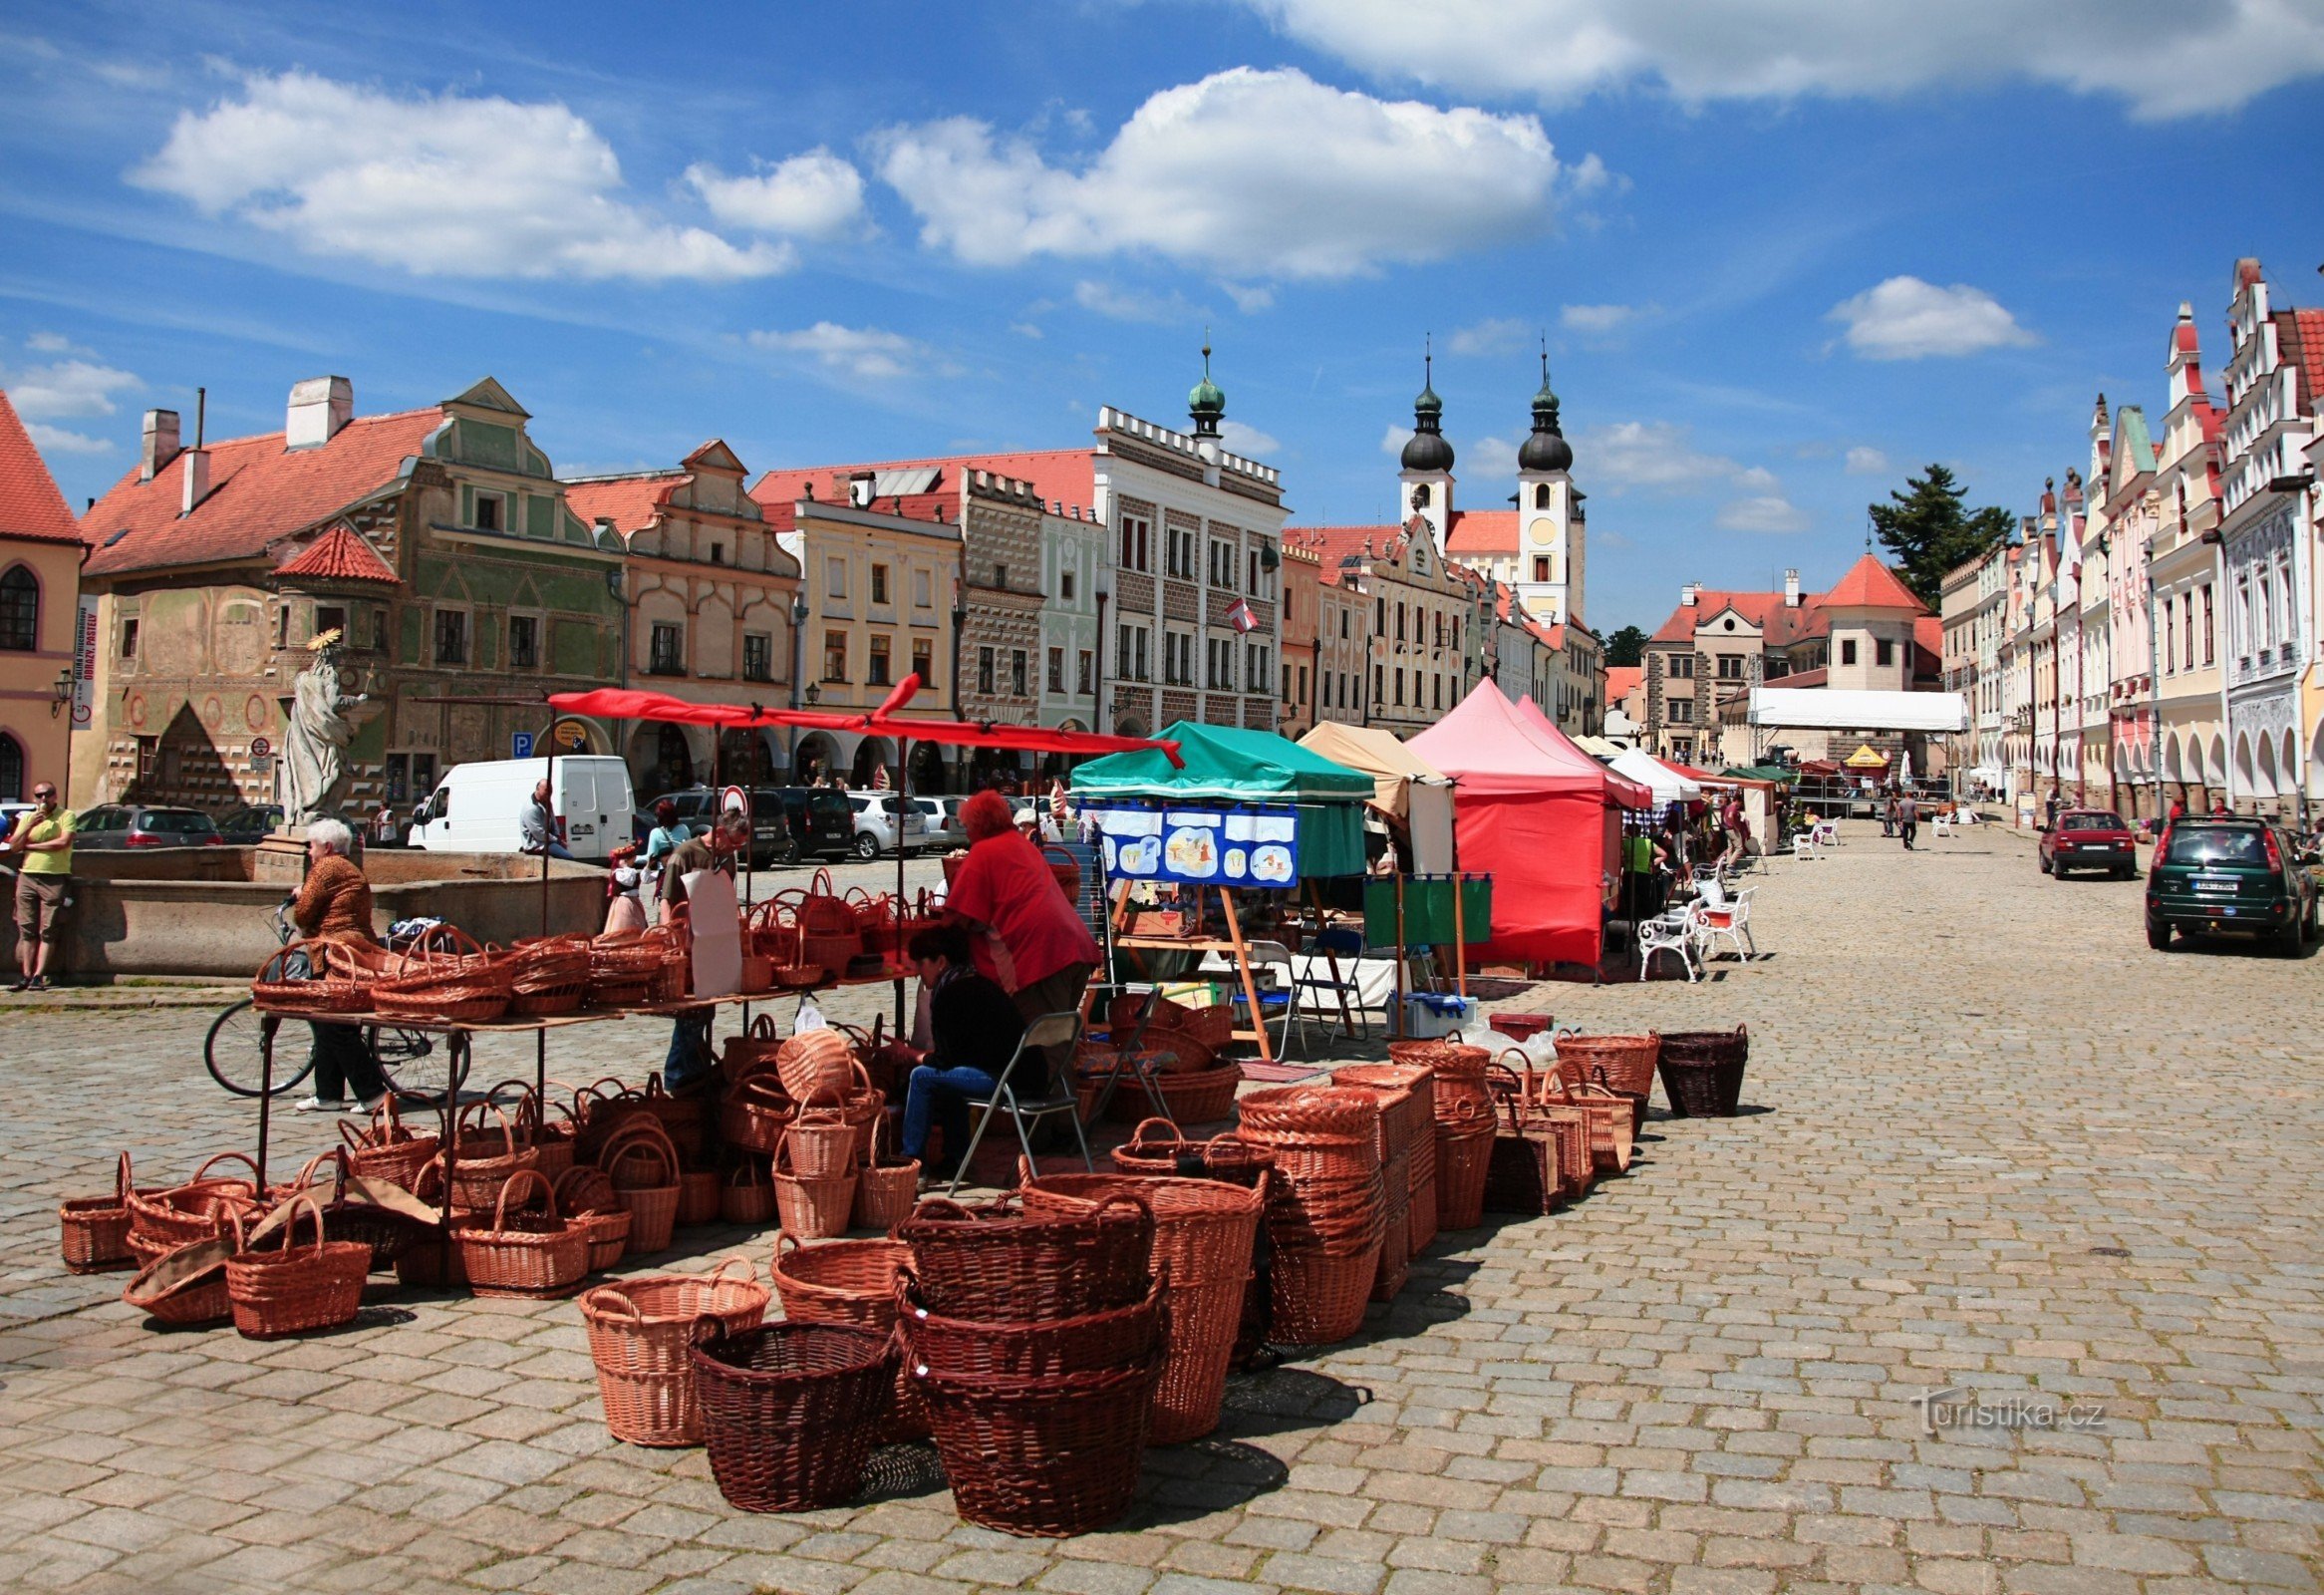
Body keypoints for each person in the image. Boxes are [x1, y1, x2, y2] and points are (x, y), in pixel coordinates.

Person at [943, 790, 1101, 1081]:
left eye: (967, 826)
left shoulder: (984, 852)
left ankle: (1044, 1123)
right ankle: (1063, 1121)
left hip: (1043, 959)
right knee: (1059, 1045)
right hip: (1074, 949)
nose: (966, 833)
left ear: (977, 825)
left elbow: (958, 917)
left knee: (1043, 1055)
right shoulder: (1021, 844)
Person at [897, 922, 1027, 1185]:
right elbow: (956, 1056)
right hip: (1024, 1075)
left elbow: (944, 1060)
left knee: (921, 1077)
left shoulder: (950, 995)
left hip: (1005, 1081)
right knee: (945, 1079)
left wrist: (909, 1053)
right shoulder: (979, 983)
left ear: (940, 961)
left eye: (921, 964)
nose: (917, 973)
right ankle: (956, 1158)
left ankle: (913, 1165)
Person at [290, 818, 389, 1112]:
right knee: (324, 1023)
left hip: (335, 952)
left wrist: (299, 896)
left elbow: (304, 915)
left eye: (312, 846)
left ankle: (372, 1092)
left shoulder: (326, 868)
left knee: (335, 1027)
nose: (309, 852)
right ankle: (328, 1094)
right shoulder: (349, 868)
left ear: (327, 847)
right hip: (352, 950)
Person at [655, 813, 748, 1090]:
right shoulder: (685, 854)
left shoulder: (727, 858)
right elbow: (667, 899)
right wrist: (670, 938)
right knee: (690, 1012)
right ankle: (677, 1076)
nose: (735, 851)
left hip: (713, 942)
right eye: (733, 843)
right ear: (719, 832)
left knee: (706, 1010)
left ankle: (694, 1072)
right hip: (685, 941)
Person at [6, 781, 74, 992]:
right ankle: (25, 975)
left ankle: (39, 975)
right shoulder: (28, 817)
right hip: (27, 875)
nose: (43, 799)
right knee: (26, 928)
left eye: (48, 794)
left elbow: (62, 843)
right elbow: (13, 846)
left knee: (48, 929)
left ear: (55, 795)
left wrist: (31, 846)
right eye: (39, 795)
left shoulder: (66, 816)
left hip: (54, 875)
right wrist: (27, 826)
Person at [520, 778, 573, 860]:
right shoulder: (531, 809)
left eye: (551, 790)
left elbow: (553, 821)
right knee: (568, 857)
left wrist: (558, 837)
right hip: (537, 844)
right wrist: (556, 840)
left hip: (547, 841)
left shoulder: (546, 802)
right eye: (546, 790)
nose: (549, 793)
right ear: (538, 789)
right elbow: (539, 834)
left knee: (564, 852)